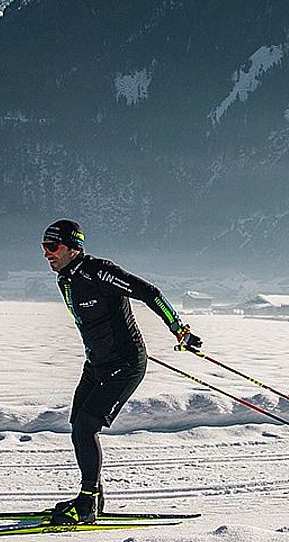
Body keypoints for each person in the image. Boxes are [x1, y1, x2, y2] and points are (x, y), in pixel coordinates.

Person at [41, 218, 200, 524]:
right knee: (78, 427)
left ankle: (87, 503)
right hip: (97, 364)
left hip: (125, 364)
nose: (47, 253)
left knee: (87, 426)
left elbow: (149, 292)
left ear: (74, 247)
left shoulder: (99, 272)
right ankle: (93, 498)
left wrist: (179, 329)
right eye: (44, 248)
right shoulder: (65, 279)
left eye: (53, 246)